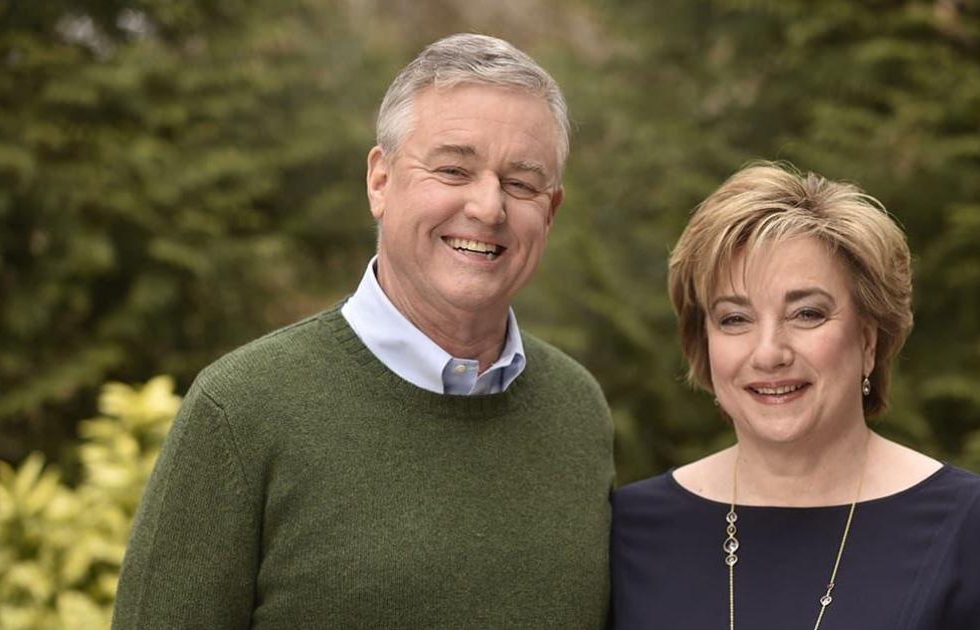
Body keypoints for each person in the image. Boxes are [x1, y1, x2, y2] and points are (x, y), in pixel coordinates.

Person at [112, 34, 613, 629]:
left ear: (550, 213)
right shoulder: (242, 411)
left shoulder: (578, 410)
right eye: (453, 169)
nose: (488, 206)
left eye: (521, 183)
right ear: (380, 180)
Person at [610, 163, 980, 629]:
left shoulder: (974, 530)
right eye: (734, 319)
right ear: (703, 342)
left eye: (806, 313)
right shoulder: (628, 529)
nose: (769, 353)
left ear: (869, 340)